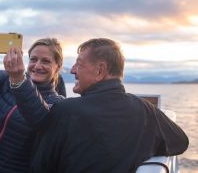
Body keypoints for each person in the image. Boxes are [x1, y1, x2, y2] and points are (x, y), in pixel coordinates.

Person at [12, 38, 189, 173]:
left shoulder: (65, 111)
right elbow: (180, 142)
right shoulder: (144, 110)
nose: (72, 70)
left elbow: (39, 167)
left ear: (100, 71)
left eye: (79, 64)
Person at [0, 34, 64, 173]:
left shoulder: (57, 103)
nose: (37, 66)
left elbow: (39, 118)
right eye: (33, 59)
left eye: (46, 61)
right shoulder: (7, 79)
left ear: (58, 67)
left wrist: (19, 81)